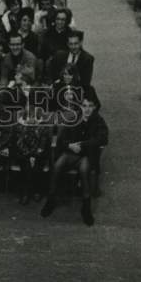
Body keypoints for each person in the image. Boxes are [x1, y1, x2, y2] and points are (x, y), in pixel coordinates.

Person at [41, 93, 108, 226]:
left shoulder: (98, 121)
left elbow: (103, 139)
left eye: (90, 106)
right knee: (57, 165)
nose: (87, 109)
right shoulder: (74, 118)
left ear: (94, 107)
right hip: (72, 152)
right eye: (84, 106)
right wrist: (69, 145)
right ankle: (51, 199)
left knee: (84, 171)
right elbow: (61, 138)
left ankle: (86, 207)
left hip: (86, 155)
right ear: (80, 107)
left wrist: (82, 145)